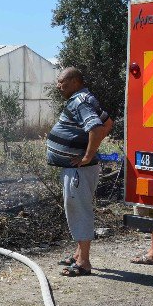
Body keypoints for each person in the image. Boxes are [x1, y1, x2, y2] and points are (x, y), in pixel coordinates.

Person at [46, 66, 113, 277]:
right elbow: (108, 123)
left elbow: (95, 128)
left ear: (75, 81)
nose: (58, 86)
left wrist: (87, 156)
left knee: (79, 211)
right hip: (79, 170)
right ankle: (78, 254)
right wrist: (88, 151)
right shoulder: (86, 98)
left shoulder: (80, 101)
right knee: (78, 208)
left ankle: (84, 263)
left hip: (78, 171)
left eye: (61, 81)